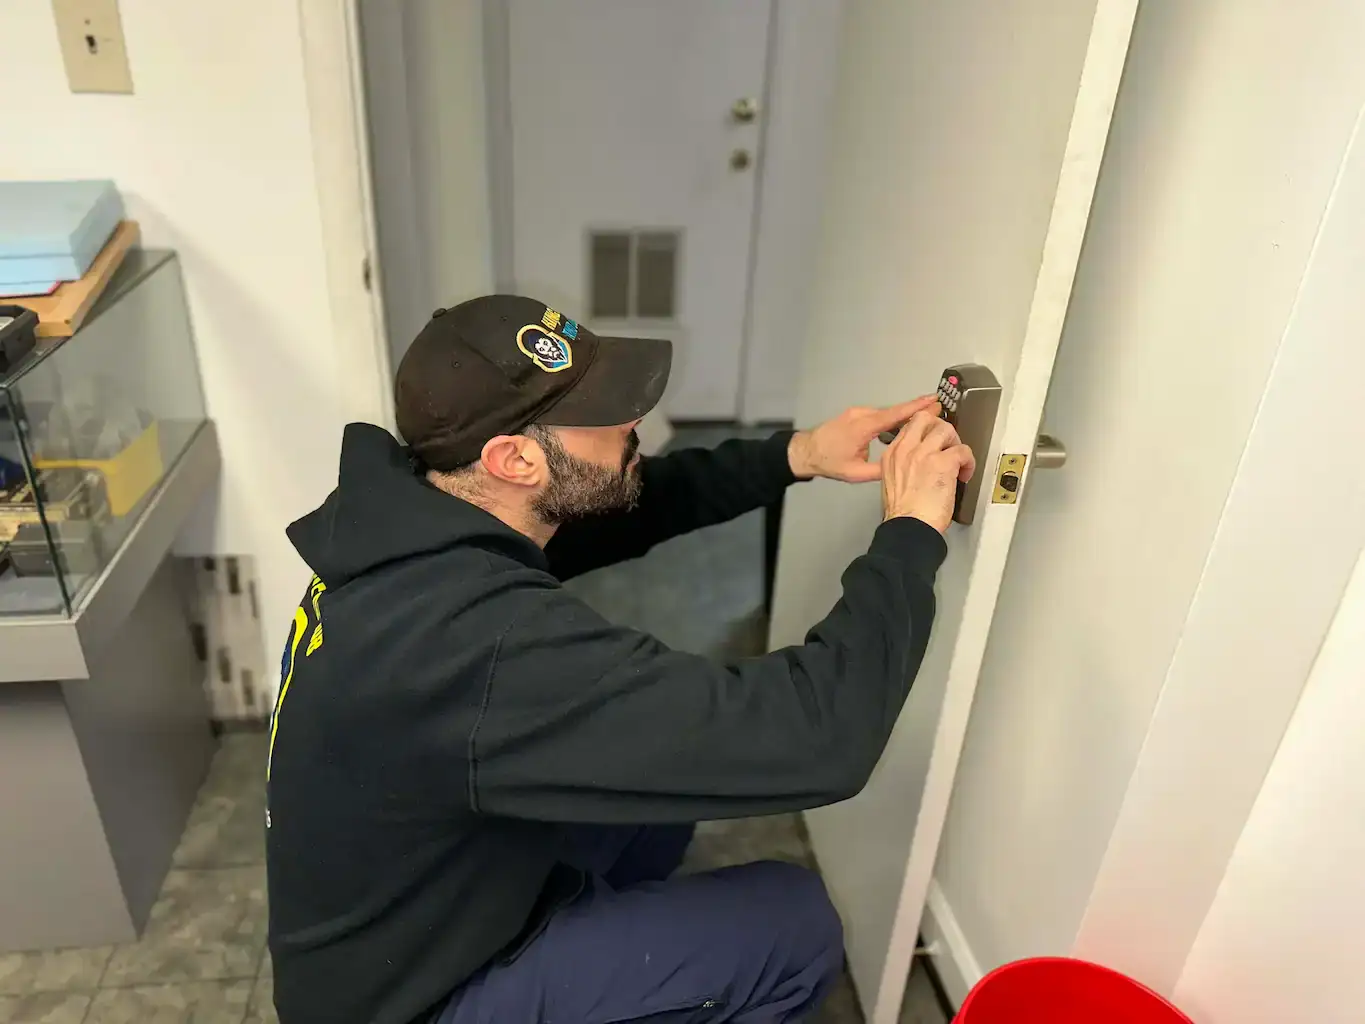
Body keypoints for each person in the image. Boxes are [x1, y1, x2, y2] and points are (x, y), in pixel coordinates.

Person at [265, 295, 976, 1024]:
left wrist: (796, 455)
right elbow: (817, 739)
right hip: (413, 999)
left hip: (407, 914)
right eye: (605, 411)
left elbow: (625, 500)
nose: (634, 421)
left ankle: (599, 965)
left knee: (654, 806)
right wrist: (911, 533)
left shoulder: (419, 519)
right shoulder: (476, 641)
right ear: (514, 460)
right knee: (792, 925)